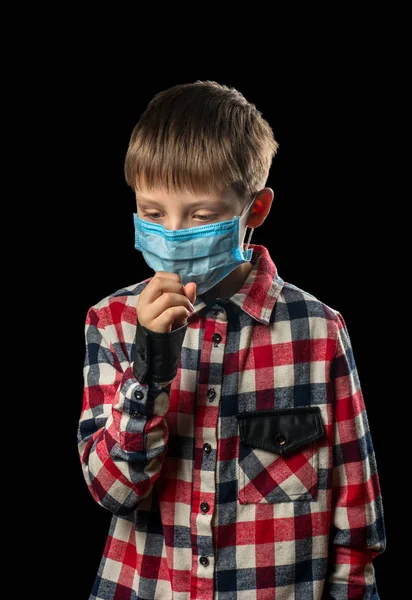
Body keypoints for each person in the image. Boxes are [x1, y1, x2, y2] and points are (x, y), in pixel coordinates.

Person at [77, 81, 386, 600]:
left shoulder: (318, 331)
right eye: (153, 213)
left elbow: (356, 518)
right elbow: (114, 492)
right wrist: (149, 366)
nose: (173, 233)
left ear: (256, 210)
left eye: (200, 216)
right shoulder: (111, 319)